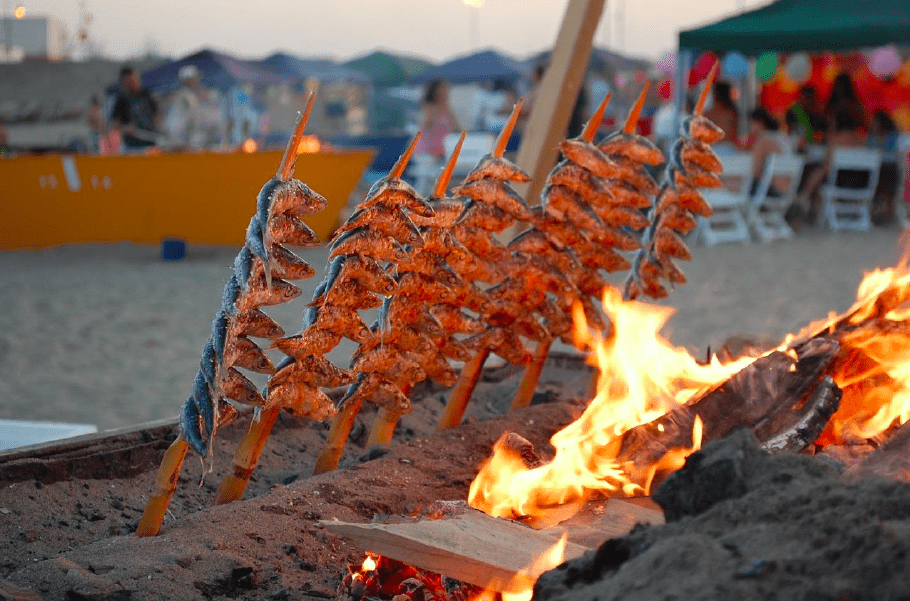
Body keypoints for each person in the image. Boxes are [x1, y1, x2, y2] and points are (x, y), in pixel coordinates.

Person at [794, 109, 867, 224]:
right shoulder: (860, 140)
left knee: (819, 172)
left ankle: (803, 198)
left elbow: (827, 166)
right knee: (820, 173)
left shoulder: (836, 141)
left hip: (840, 183)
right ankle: (805, 199)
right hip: (861, 184)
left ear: (836, 123)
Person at [110, 65, 159, 151]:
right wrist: (125, 128)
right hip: (132, 145)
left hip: (150, 142)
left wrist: (158, 129)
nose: (135, 82)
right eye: (130, 80)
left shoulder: (146, 94)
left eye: (135, 78)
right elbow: (115, 123)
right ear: (125, 82)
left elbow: (156, 114)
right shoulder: (121, 99)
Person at [747, 107, 793, 195]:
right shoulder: (782, 136)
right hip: (787, 189)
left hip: (772, 190)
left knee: (730, 185)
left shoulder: (763, 141)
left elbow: (754, 172)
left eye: (751, 124)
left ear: (760, 123)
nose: (750, 129)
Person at [414, 79, 460, 161]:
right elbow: (427, 127)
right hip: (426, 153)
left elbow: (456, 128)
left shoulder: (447, 108)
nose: (446, 92)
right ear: (436, 91)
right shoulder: (429, 107)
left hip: (442, 152)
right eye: (443, 89)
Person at [703, 81, 739, 149]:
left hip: (711, 148)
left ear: (715, 95)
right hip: (729, 148)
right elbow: (735, 135)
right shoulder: (732, 113)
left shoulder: (707, 114)